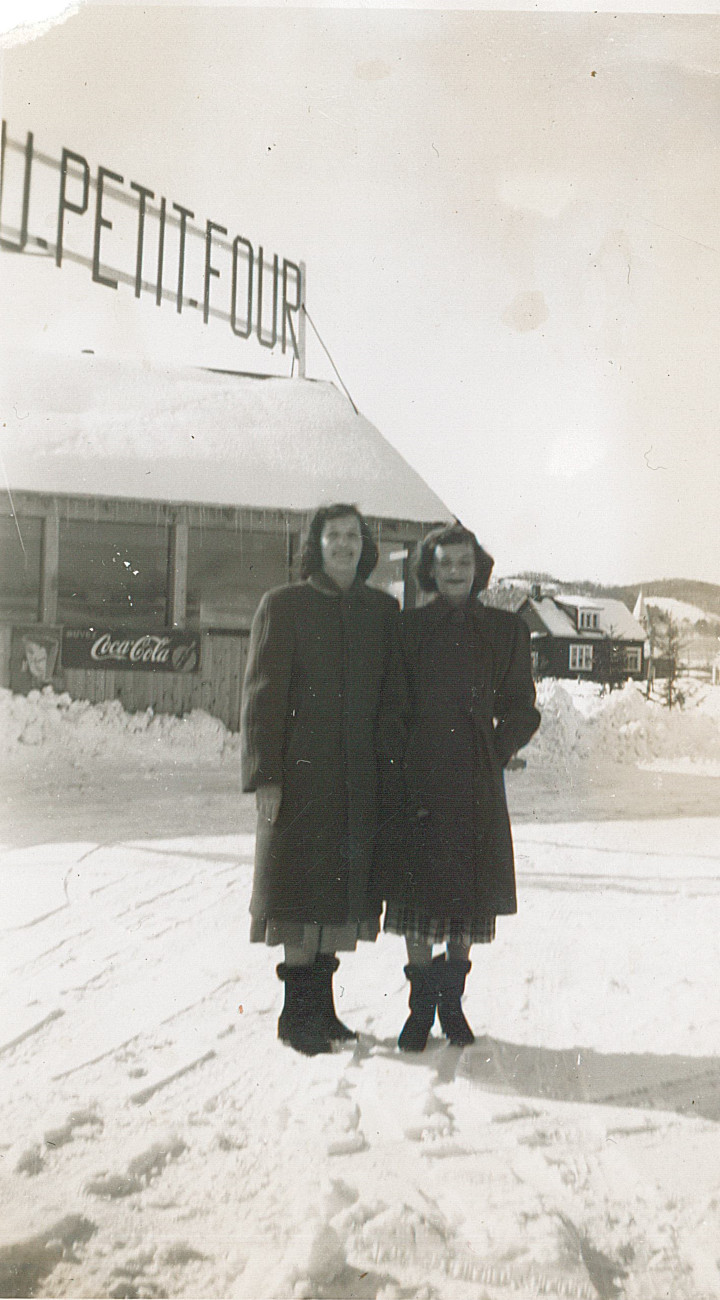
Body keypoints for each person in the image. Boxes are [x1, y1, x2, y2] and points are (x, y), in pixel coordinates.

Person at [241, 503, 407, 1056]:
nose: (343, 545)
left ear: (365, 546)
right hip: (299, 775)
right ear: (317, 543)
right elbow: (262, 699)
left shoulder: (382, 611)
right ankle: (296, 1017)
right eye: (333, 536)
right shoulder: (282, 606)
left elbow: (391, 699)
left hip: (359, 777)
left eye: (353, 536)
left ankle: (325, 1012)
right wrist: (266, 775)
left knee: (339, 893)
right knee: (296, 890)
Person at [383, 523, 540, 1052]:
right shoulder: (407, 630)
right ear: (430, 568)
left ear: (478, 569)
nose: (454, 571)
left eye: (464, 563)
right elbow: (392, 710)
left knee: (465, 902)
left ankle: (451, 1005)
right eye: (445, 562)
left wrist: (497, 750)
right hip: (418, 779)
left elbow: (523, 706)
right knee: (417, 899)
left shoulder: (503, 630)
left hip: (475, 782)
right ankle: (418, 1010)